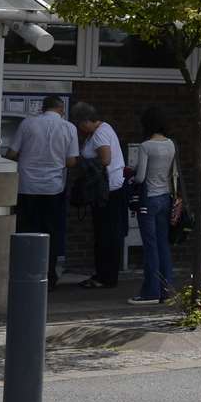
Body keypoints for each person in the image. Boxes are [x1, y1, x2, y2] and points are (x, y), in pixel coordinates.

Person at [3, 95, 78, 290]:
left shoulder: (28, 124)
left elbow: (11, 154)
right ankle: (48, 277)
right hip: (53, 188)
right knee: (50, 233)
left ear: (42, 109)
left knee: (26, 230)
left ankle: (24, 274)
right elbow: (71, 161)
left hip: (27, 186)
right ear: (61, 109)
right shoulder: (69, 128)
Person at [70, 101, 127, 288]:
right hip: (106, 190)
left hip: (108, 191)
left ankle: (106, 276)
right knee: (104, 234)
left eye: (80, 123)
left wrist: (82, 165)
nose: (79, 128)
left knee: (107, 234)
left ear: (86, 120)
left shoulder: (100, 133)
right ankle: (103, 274)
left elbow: (105, 159)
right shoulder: (102, 129)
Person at [129, 106, 176, 305]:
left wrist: (131, 173)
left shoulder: (146, 146)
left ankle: (150, 291)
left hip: (149, 199)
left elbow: (140, 177)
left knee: (150, 246)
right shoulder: (171, 144)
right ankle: (167, 290)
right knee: (163, 244)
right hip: (165, 197)